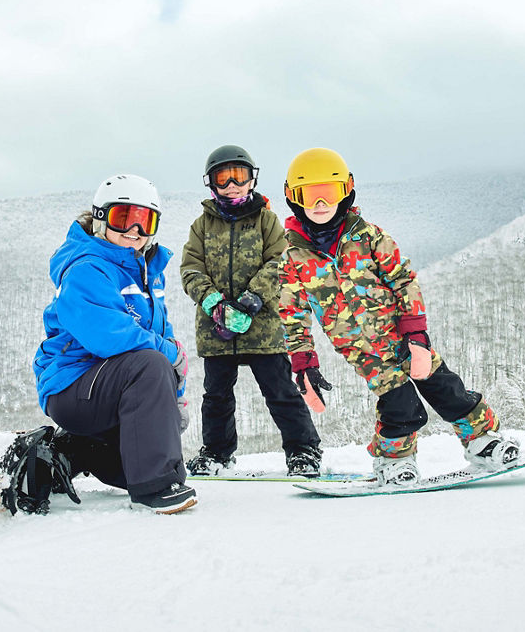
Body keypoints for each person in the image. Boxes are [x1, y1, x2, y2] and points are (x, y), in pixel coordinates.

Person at [277, 148, 519, 485]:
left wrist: (416, 334)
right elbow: (292, 314)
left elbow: (403, 281)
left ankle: (482, 440)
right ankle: (394, 461)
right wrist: (303, 363)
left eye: (328, 192)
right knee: (399, 403)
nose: (320, 203)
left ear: (345, 191)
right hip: (362, 351)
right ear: (294, 198)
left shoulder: (369, 237)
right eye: (309, 195)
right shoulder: (292, 259)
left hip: (402, 336)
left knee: (445, 388)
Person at [27, 173, 195, 513]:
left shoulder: (145, 269)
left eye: (144, 221)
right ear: (101, 218)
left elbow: (160, 336)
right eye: (124, 218)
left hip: (107, 390)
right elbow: (111, 338)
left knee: (134, 465)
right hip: (72, 387)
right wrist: (169, 358)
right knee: (148, 364)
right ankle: (154, 490)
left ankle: (68, 453)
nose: (134, 231)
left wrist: (171, 398)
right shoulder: (86, 268)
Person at [180, 145, 323, 477]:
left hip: (262, 326)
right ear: (211, 183)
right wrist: (214, 303)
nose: (231, 184)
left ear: (251, 179)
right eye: (222, 177)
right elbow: (190, 268)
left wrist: (251, 300)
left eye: (239, 176)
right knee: (216, 396)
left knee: (280, 391)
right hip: (217, 329)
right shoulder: (202, 225)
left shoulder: (266, 220)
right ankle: (217, 454)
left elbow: (280, 261)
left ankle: (303, 451)